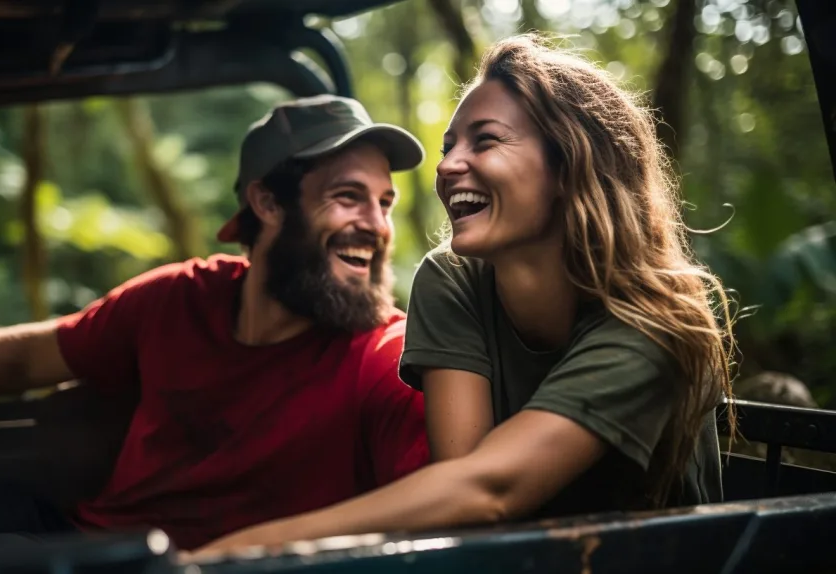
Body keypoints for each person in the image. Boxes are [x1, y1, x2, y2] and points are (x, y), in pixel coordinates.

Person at [192, 33, 737, 555]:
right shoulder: (452, 280)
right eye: (449, 145)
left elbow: (488, 491)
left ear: (569, 165)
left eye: (487, 140)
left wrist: (250, 549)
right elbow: (461, 487)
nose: (448, 165)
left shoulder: (654, 319)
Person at [0, 95, 431, 551]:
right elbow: (26, 357)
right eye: (349, 196)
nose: (376, 225)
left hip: (184, 566)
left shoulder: (386, 356)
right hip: (86, 534)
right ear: (267, 204)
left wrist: (254, 549)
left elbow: (455, 495)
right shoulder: (178, 298)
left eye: (385, 203)